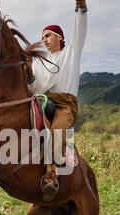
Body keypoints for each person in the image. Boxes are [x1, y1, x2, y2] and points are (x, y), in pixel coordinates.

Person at [26, 0, 88, 202]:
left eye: (48, 35)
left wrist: (80, 9)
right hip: (42, 101)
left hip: (65, 104)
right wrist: (28, 72)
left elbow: (80, 29)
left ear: (59, 37)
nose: (44, 40)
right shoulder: (40, 63)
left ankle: (51, 174)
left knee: (58, 129)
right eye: (42, 37)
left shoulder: (71, 52)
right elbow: (32, 87)